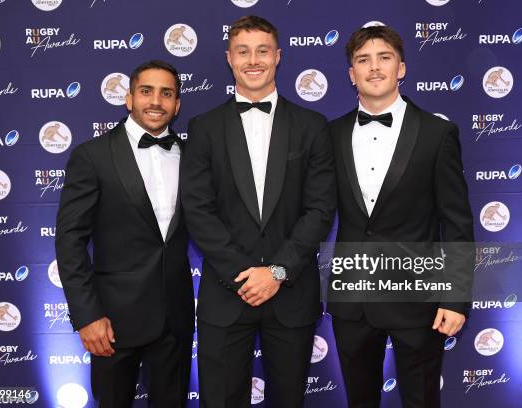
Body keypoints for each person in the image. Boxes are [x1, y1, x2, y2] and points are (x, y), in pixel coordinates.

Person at [180, 15, 336, 408]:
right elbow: (198, 210)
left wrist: (277, 272)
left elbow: (319, 209)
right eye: (243, 52)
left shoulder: (312, 126)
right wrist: (246, 277)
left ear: (278, 57)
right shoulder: (203, 127)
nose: (253, 60)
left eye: (262, 50)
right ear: (229, 59)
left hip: (292, 297)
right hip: (225, 296)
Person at [328, 26, 474, 408]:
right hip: (352, 300)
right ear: (351, 74)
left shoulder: (437, 133)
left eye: (384, 58)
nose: (374, 68)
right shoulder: (330, 135)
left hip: (420, 299)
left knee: (422, 401)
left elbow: (457, 223)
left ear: (401, 68)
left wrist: (456, 298)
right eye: (363, 60)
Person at [55, 60, 194, 407]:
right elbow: (70, 241)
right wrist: (87, 316)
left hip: (174, 320)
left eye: (167, 93)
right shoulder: (93, 156)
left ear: (177, 105)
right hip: (111, 323)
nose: (156, 101)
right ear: (129, 98)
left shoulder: (191, 157)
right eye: (146, 91)